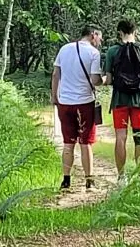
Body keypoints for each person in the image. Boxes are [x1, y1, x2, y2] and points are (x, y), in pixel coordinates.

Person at [102, 19, 140, 187]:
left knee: (121, 137)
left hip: (119, 100)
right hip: (139, 101)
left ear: (120, 33)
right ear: (135, 31)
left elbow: (109, 79)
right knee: (139, 138)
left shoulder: (112, 51)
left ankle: (121, 177)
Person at [51, 24, 103, 191]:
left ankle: (66, 181)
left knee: (68, 143)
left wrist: (54, 96)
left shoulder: (64, 49)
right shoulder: (94, 54)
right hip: (84, 102)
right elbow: (95, 80)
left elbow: (56, 74)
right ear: (93, 35)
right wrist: (105, 80)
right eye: (99, 37)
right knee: (85, 142)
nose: (100, 41)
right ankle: (89, 181)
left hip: (65, 103)